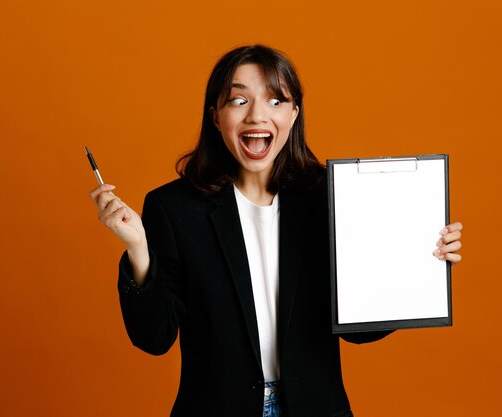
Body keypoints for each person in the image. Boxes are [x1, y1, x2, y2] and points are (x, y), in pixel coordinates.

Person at [89, 45, 463, 417]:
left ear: (294, 114)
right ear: (216, 117)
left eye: (275, 101)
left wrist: (420, 259)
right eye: (238, 101)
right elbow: (154, 339)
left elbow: (358, 330)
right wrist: (138, 248)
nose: (257, 115)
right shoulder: (173, 209)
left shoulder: (328, 197)